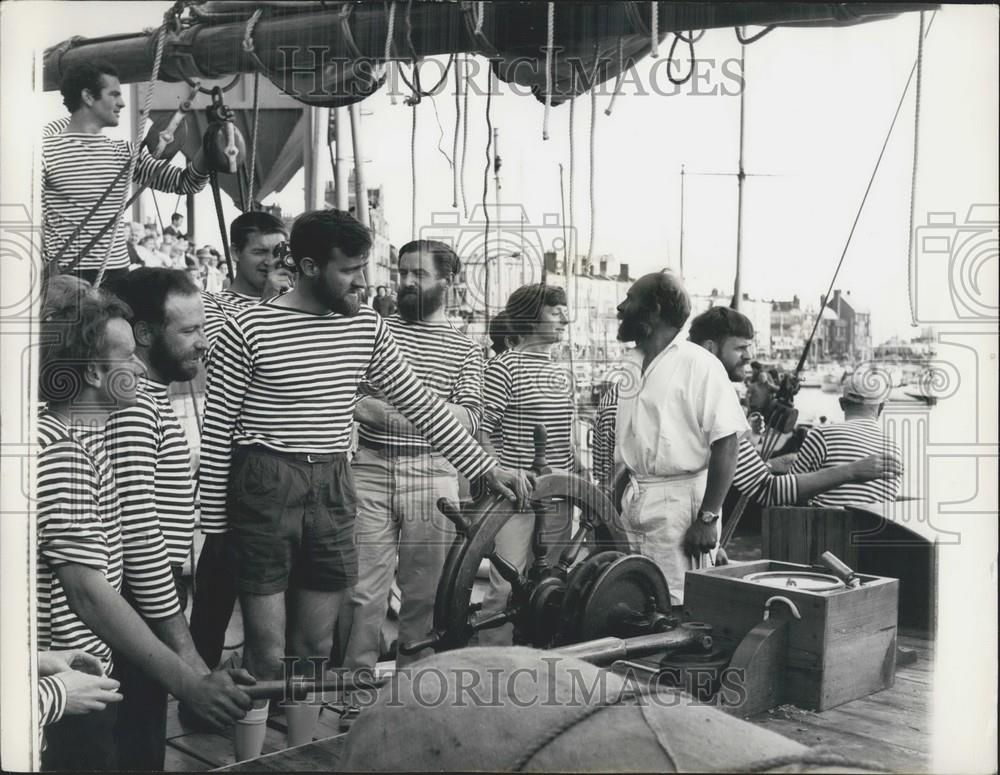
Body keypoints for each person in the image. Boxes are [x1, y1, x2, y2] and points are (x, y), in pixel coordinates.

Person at [197, 209, 531, 758]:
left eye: (364, 267)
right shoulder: (247, 328)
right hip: (262, 484)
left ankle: (296, 758)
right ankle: (250, 763)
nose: (364, 282)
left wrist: (485, 467)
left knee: (314, 644)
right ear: (307, 266)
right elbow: (216, 432)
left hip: (332, 483)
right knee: (265, 650)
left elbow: (424, 406)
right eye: (350, 269)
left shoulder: (366, 327)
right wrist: (215, 526)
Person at [36, 286, 252, 770]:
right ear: (92, 372)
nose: (139, 370)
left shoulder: (75, 442)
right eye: (128, 359)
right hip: (73, 681)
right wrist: (190, 680)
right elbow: (89, 593)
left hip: (80, 669)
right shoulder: (63, 454)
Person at [592, 307, 901, 512]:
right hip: (666, 537)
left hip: (623, 529)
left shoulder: (625, 389)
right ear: (711, 348)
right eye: (740, 348)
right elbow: (768, 490)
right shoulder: (713, 398)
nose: (748, 358)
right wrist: (851, 471)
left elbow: (605, 474)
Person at [339, 240, 484, 670]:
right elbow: (352, 397)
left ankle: (410, 691)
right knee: (362, 590)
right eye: (402, 272)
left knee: (424, 592)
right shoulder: (375, 331)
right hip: (370, 467)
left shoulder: (466, 349)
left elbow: (472, 418)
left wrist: (390, 411)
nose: (404, 282)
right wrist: (429, 413)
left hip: (432, 475)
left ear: (447, 282)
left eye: (418, 274)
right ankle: (354, 690)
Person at [102, 269, 218, 769]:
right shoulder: (133, 407)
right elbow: (140, 538)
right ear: (145, 334)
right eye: (189, 331)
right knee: (137, 748)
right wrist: (186, 657)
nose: (203, 343)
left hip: (151, 594)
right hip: (139, 598)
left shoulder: (148, 398)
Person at [187, 212, 294, 684]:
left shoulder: (294, 307)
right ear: (234, 253)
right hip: (230, 463)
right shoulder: (211, 308)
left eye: (279, 252)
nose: (272, 262)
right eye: (260, 252)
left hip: (281, 470)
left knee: (279, 588)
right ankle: (199, 682)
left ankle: (266, 687)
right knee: (217, 582)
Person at [613, 273, 747, 606]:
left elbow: (727, 444)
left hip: (681, 506)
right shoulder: (630, 365)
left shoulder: (699, 364)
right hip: (635, 498)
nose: (621, 307)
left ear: (654, 309)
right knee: (633, 595)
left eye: (629, 298)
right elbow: (631, 444)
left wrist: (708, 518)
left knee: (679, 601)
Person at [43, 61, 209, 286]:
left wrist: (210, 150)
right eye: (114, 95)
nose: (122, 103)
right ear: (88, 97)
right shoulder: (45, 150)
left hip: (117, 276)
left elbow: (185, 183)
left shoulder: (125, 152)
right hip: (67, 278)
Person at [476, 284, 574, 645]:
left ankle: (541, 665)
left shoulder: (561, 371)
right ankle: (491, 669)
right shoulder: (503, 368)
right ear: (531, 317)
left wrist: (578, 482)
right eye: (555, 311)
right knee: (506, 591)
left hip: (561, 498)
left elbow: (567, 438)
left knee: (552, 589)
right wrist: (501, 474)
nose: (565, 318)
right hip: (515, 501)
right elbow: (481, 431)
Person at [790, 370, 904, 507]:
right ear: (881, 406)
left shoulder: (821, 435)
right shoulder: (894, 448)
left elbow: (791, 490)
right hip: (875, 527)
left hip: (824, 525)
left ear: (842, 404)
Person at [200, 211, 293, 349]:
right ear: (235, 253)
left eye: (276, 253)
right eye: (260, 252)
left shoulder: (297, 298)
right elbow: (220, 359)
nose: (269, 261)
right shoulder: (209, 303)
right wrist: (268, 304)